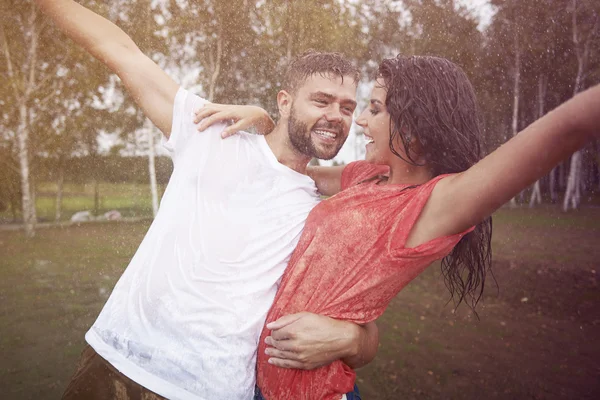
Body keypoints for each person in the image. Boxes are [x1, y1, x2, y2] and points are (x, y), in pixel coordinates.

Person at [198, 55, 600, 399]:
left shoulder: (435, 205)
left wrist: (356, 340)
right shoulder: (367, 177)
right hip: (257, 384)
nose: (359, 121)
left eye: (374, 109)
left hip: (316, 391)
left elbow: (567, 126)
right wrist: (269, 122)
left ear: (414, 123)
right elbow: (299, 169)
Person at [34, 1, 379, 399]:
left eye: (347, 107)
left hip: (211, 390)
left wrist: (353, 338)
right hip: (117, 361)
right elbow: (121, 52)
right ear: (284, 102)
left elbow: (363, 313)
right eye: (321, 101)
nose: (337, 115)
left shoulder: (323, 211)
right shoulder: (214, 133)